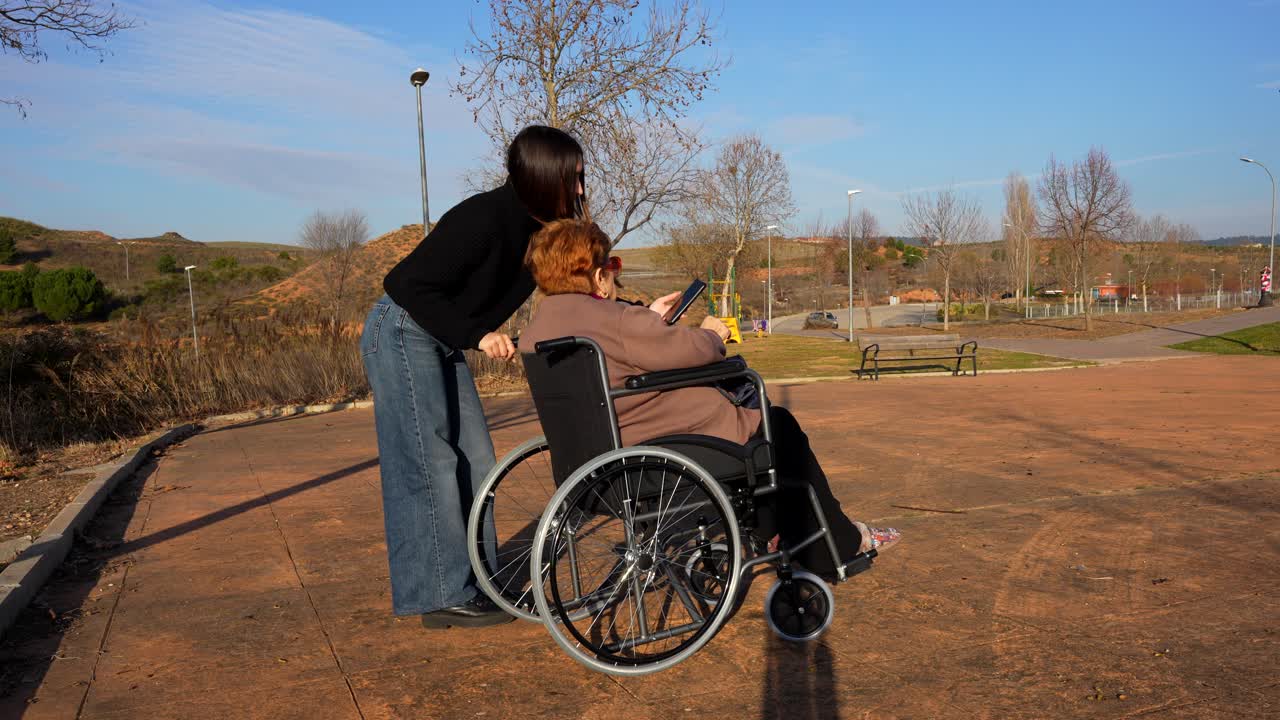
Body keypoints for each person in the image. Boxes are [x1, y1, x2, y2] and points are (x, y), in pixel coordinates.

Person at [360, 126, 678, 629]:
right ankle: (442, 594)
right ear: (542, 174)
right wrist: (478, 333)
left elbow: (581, 285)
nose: (579, 189)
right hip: (403, 330)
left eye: (580, 179)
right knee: (430, 462)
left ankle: (477, 580)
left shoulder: (547, 232)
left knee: (478, 459)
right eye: (572, 179)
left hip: (441, 337)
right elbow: (403, 284)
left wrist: (642, 313)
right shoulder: (483, 217)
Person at [518, 219, 899, 577]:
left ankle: (778, 529)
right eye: (613, 266)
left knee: (765, 437)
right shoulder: (615, 319)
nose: (615, 276)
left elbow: (626, 354)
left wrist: (650, 323)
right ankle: (838, 547)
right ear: (598, 277)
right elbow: (693, 352)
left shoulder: (538, 330)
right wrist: (713, 332)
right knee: (778, 427)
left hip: (591, 469)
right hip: (652, 458)